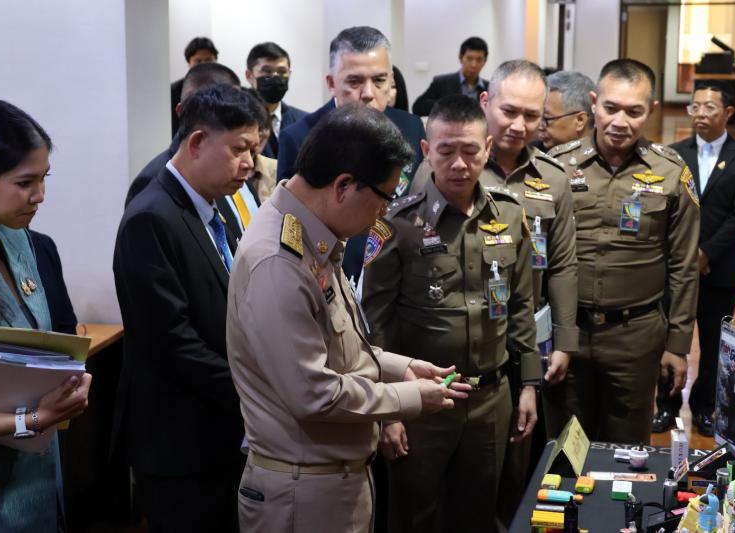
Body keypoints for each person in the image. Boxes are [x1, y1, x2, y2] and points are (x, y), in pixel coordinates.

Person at [227, 104, 470, 533]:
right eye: (384, 197)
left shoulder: (313, 233)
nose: (384, 212)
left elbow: (343, 345)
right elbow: (314, 394)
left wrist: (403, 367)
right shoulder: (278, 261)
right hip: (303, 493)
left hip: (331, 481)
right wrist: (411, 397)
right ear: (343, 185)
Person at [362, 95, 539, 533]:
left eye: (470, 150)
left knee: (479, 516)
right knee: (414, 517)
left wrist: (529, 385)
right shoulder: (396, 223)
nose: (459, 164)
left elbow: (522, 307)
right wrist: (388, 410)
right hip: (421, 402)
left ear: (488, 148)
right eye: (445, 151)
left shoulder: (510, 214)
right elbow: (376, 323)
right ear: (426, 151)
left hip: (491, 399)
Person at [112, 85, 266, 532]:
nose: (249, 163)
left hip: (222, 429)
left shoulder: (216, 208)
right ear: (197, 142)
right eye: (239, 149)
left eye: (253, 149)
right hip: (181, 441)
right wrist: (256, 389)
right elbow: (172, 342)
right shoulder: (151, 217)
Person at [0, 99, 91, 532]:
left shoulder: (21, 242)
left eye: (44, 178)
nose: (40, 195)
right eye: (25, 182)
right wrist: (32, 420)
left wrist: (71, 382)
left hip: (38, 482)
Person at [548, 58, 700, 444]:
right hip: (567, 333)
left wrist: (678, 345)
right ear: (593, 104)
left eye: (634, 112)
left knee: (628, 452)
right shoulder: (557, 167)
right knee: (565, 449)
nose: (620, 122)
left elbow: (684, 266)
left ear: (651, 110)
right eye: (611, 108)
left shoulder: (671, 172)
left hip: (635, 337)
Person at [478, 59, 578, 524]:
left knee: (522, 456)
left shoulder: (553, 178)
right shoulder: (454, 166)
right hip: (470, 335)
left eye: (532, 115)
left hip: (528, 338)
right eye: (509, 111)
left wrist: (565, 341)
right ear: (486, 103)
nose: (519, 125)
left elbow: (563, 265)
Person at [276, 26, 426, 280]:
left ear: (391, 80)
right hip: (328, 276)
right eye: (354, 82)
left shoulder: (411, 128)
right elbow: (291, 227)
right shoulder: (300, 137)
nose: (368, 94)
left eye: (379, 80)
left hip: (397, 275)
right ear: (331, 83)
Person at [653, 83, 735, 436]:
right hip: (676, 268)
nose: (700, 114)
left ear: (728, 113)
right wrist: (687, 256)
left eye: (709, 107)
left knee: (713, 343)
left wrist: (705, 253)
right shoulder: (673, 155)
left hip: (720, 270)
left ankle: (705, 407)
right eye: (695, 107)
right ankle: (666, 404)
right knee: (670, 338)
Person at [125, 63, 246, 236]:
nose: (235, 119)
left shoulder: (229, 164)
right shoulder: (152, 180)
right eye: (225, 110)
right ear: (183, 111)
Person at [245, 41, 307, 159]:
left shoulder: (304, 121)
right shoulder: (236, 120)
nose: (275, 77)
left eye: (282, 72)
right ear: (249, 76)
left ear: (289, 74)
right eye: (267, 71)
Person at [412, 36, 489, 117]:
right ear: (460, 58)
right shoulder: (441, 83)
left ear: (485, 61)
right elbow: (418, 107)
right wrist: (444, 107)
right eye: (469, 59)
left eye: (479, 60)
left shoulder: (490, 88)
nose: (474, 65)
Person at [171, 36, 219, 136]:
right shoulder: (174, 91)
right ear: (189, 63)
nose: (204, 65)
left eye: (208, 60)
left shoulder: (226, 88)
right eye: (198, 61)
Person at [538, 70, 595, 151]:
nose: (539, 127)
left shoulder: (606, 155)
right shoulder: (530, 153)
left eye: (546, 118)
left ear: (580, 120)